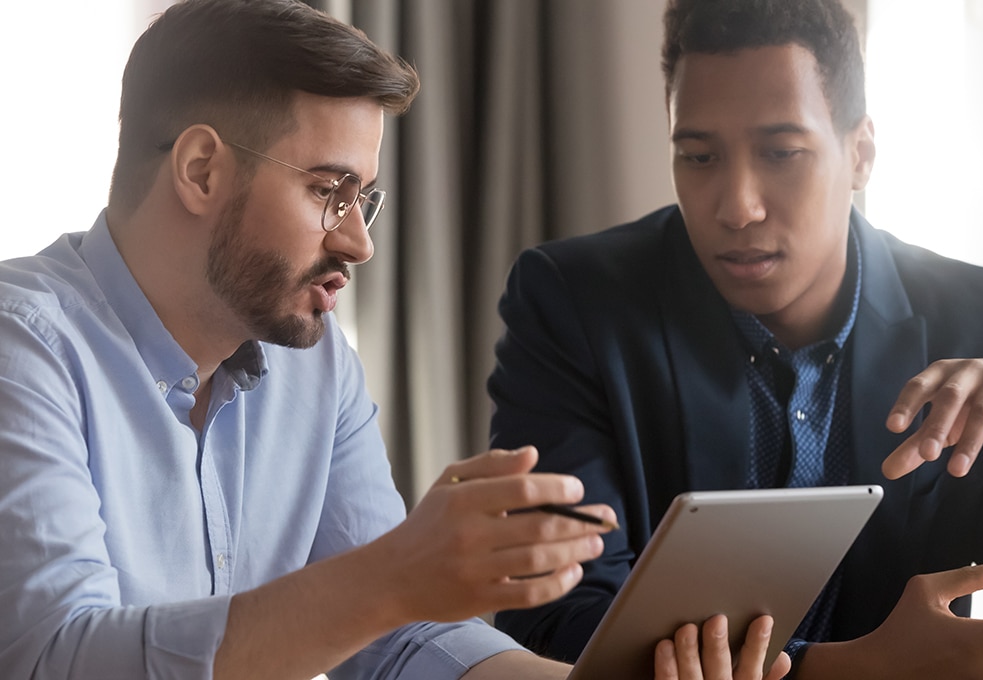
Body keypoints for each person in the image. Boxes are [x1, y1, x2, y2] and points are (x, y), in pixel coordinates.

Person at [0, 2, 638, 678]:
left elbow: (399, 640)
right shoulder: (23, 349)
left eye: (362, 199)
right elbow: (55, 659)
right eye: (329, 192)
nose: (358, 243)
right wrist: (391, 576)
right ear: (200, 171)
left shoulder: (317, 363)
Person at [487, 0, 983, 677]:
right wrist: (853, 668)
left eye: (781, 152)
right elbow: (553, 621)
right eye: (699, 156)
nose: (737, 206)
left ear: (860, 154)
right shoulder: (574, 304)